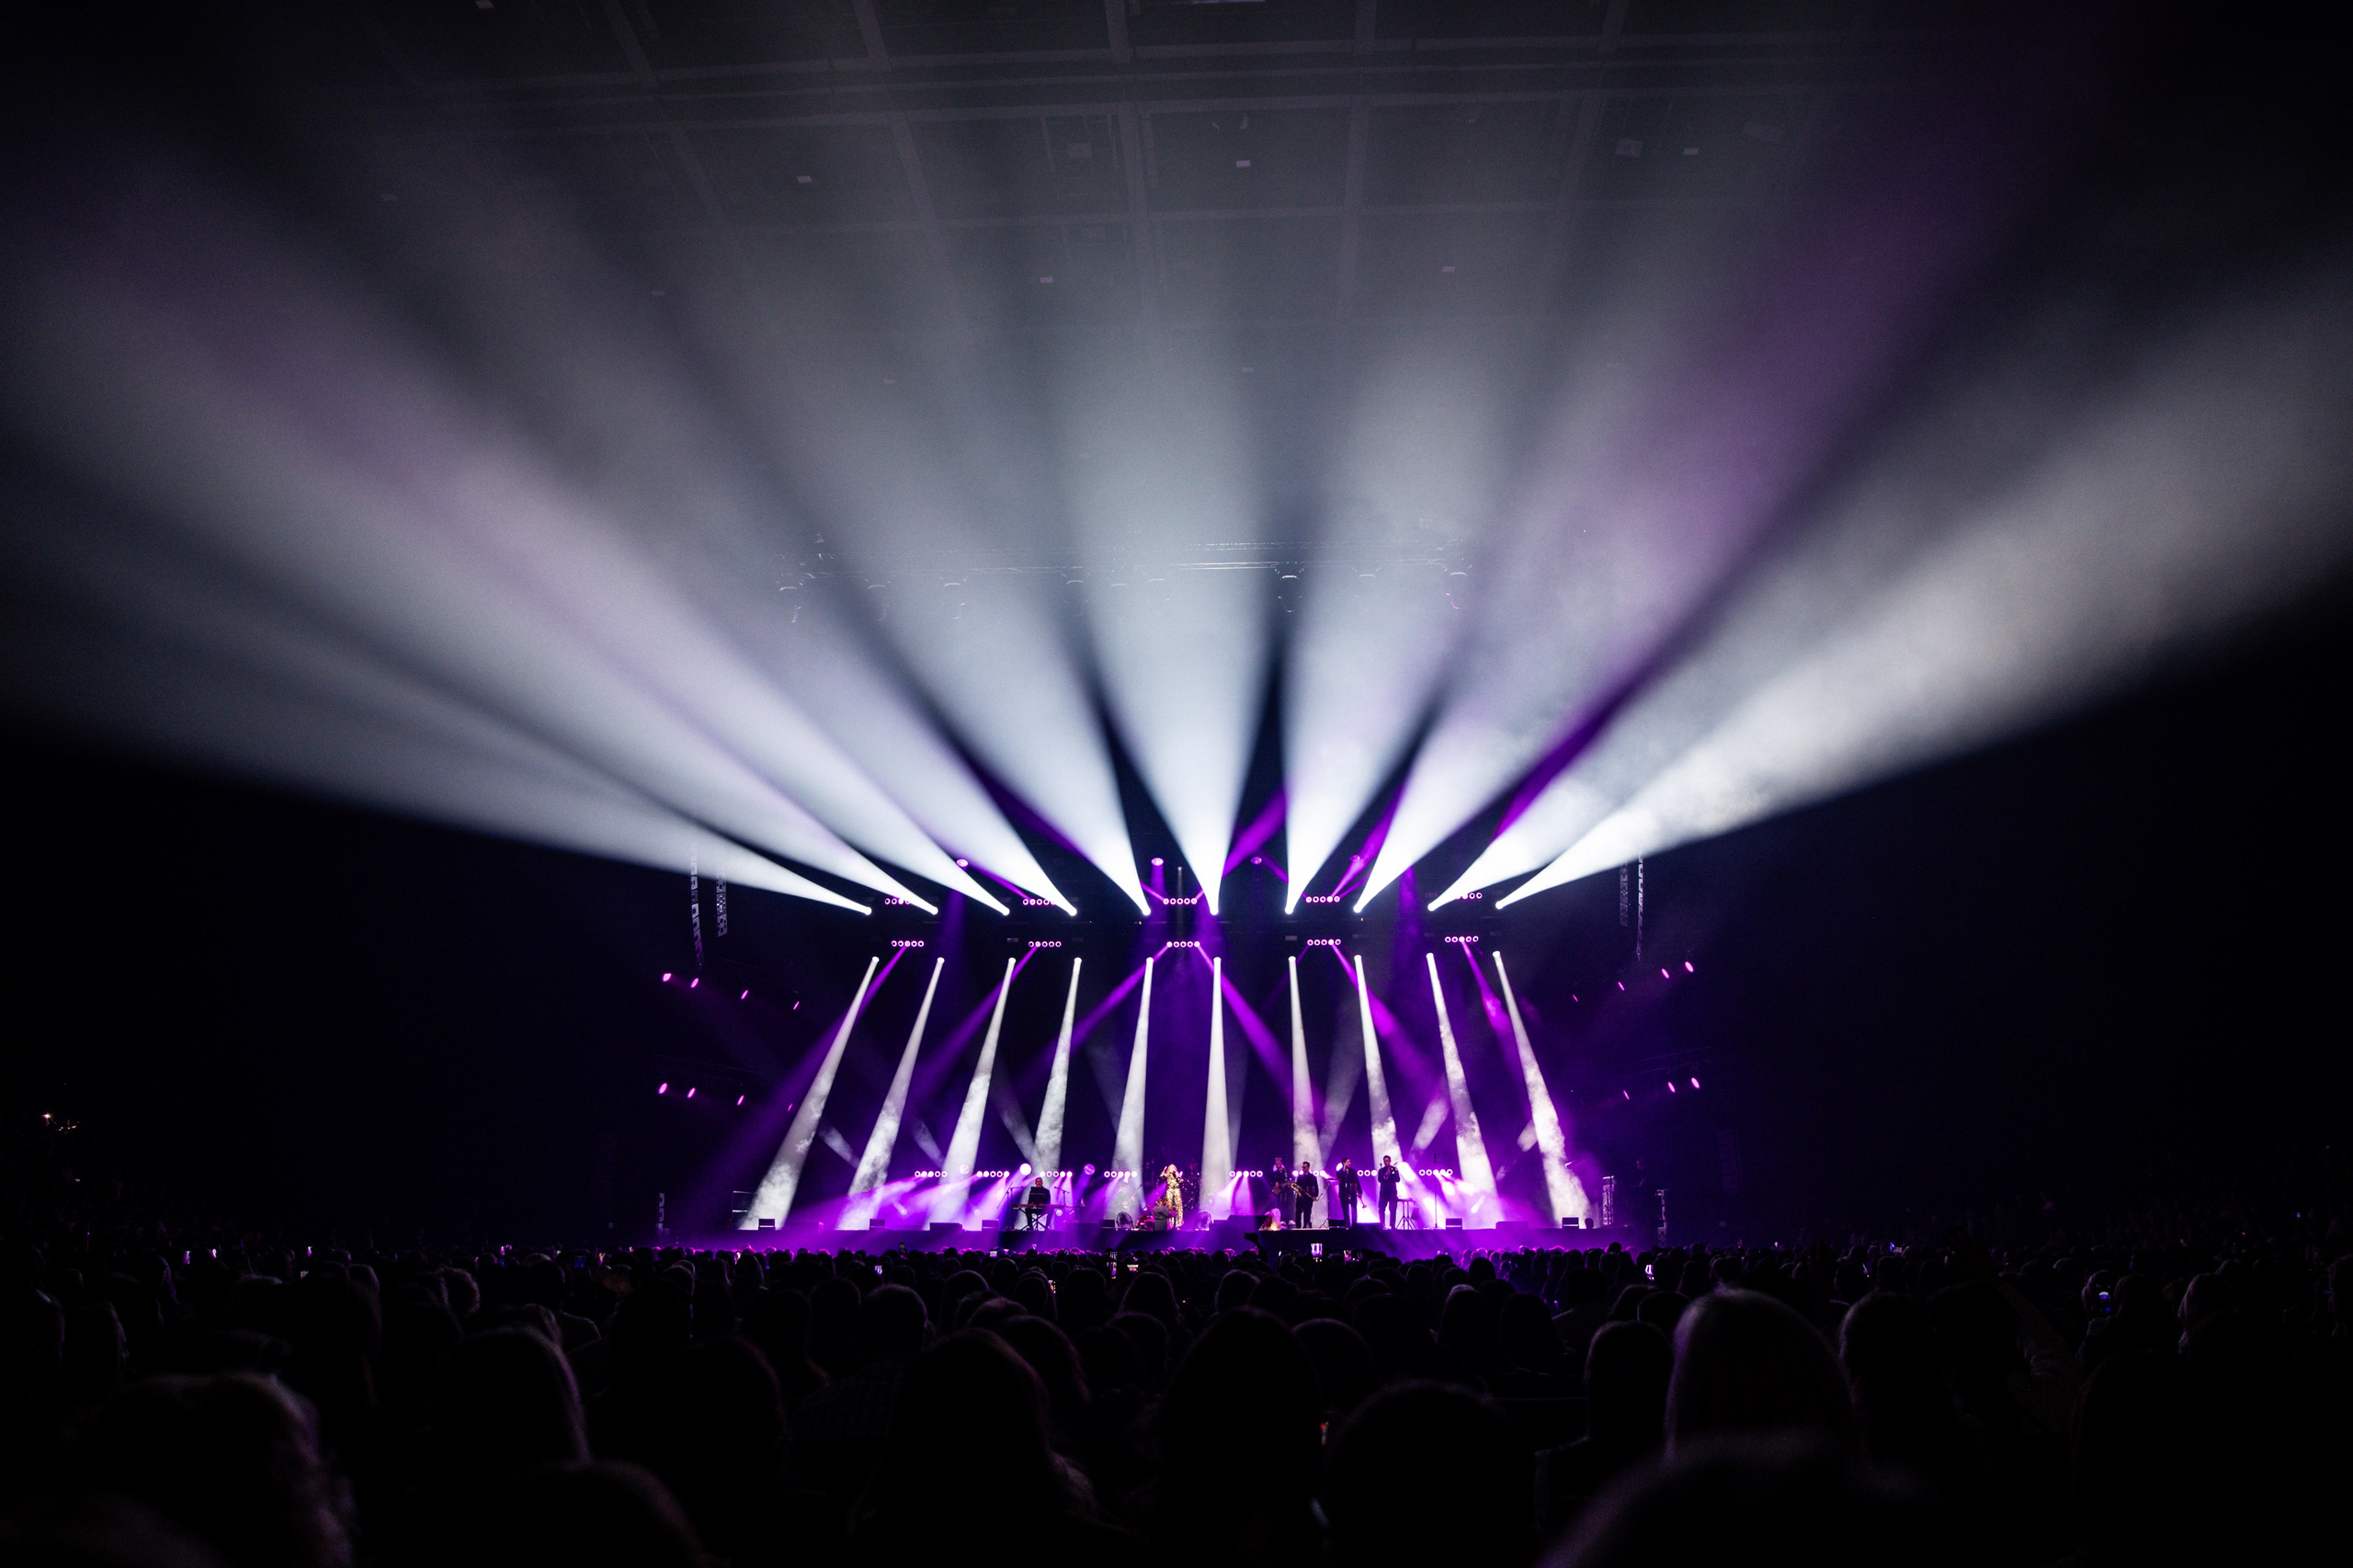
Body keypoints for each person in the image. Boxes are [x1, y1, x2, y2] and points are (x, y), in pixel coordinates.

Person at [1335, 1158, 1361, 1227]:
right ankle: (1347, 1224)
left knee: (1354, 1208)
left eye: (1350, 1162)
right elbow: (1339, 1177)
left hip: (1352, 1192)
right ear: (1344, 1163)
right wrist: (1343, 1169)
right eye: (1348, 1162)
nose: (1350, 1163)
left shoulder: (1353, 1171)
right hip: (1343, 1193)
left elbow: (1357, 1181)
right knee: (1345, 1210)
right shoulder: (1340, 1172)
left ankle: (1355, 1224)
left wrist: (1360, 1191)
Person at [1377, 1156, 1403, 1227]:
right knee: (1381, 1209)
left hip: (1392, 1193)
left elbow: (1398, 1179)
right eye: (1385, 1161)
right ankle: (1382, 1225)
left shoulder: (1394, 1169)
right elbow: (1379, 1180)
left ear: (1390, 1161)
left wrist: (1391, 1174)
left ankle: (1392, 1226)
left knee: (1393, 1209)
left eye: (1387, 1161)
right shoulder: (1381, 1170)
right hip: (1383, 1193)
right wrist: (1385, 1176)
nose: (1386, 1162)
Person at [1295, 1162, 1321, 1229]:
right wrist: (1298, 1193)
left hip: (1308, 1198)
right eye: (1302, 1167)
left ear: (1308, 1167)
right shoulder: (1300, 1177)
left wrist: (1315, 1195)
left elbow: (1316, 1187)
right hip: (1300, 1198)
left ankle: (1305, 1227)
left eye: (1304, 1167)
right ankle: (1298, 1227)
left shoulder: (1312, 1177)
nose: (1303, 1168)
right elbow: (1297, 1186)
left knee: (1307, 1213)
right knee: (1298, 1212)